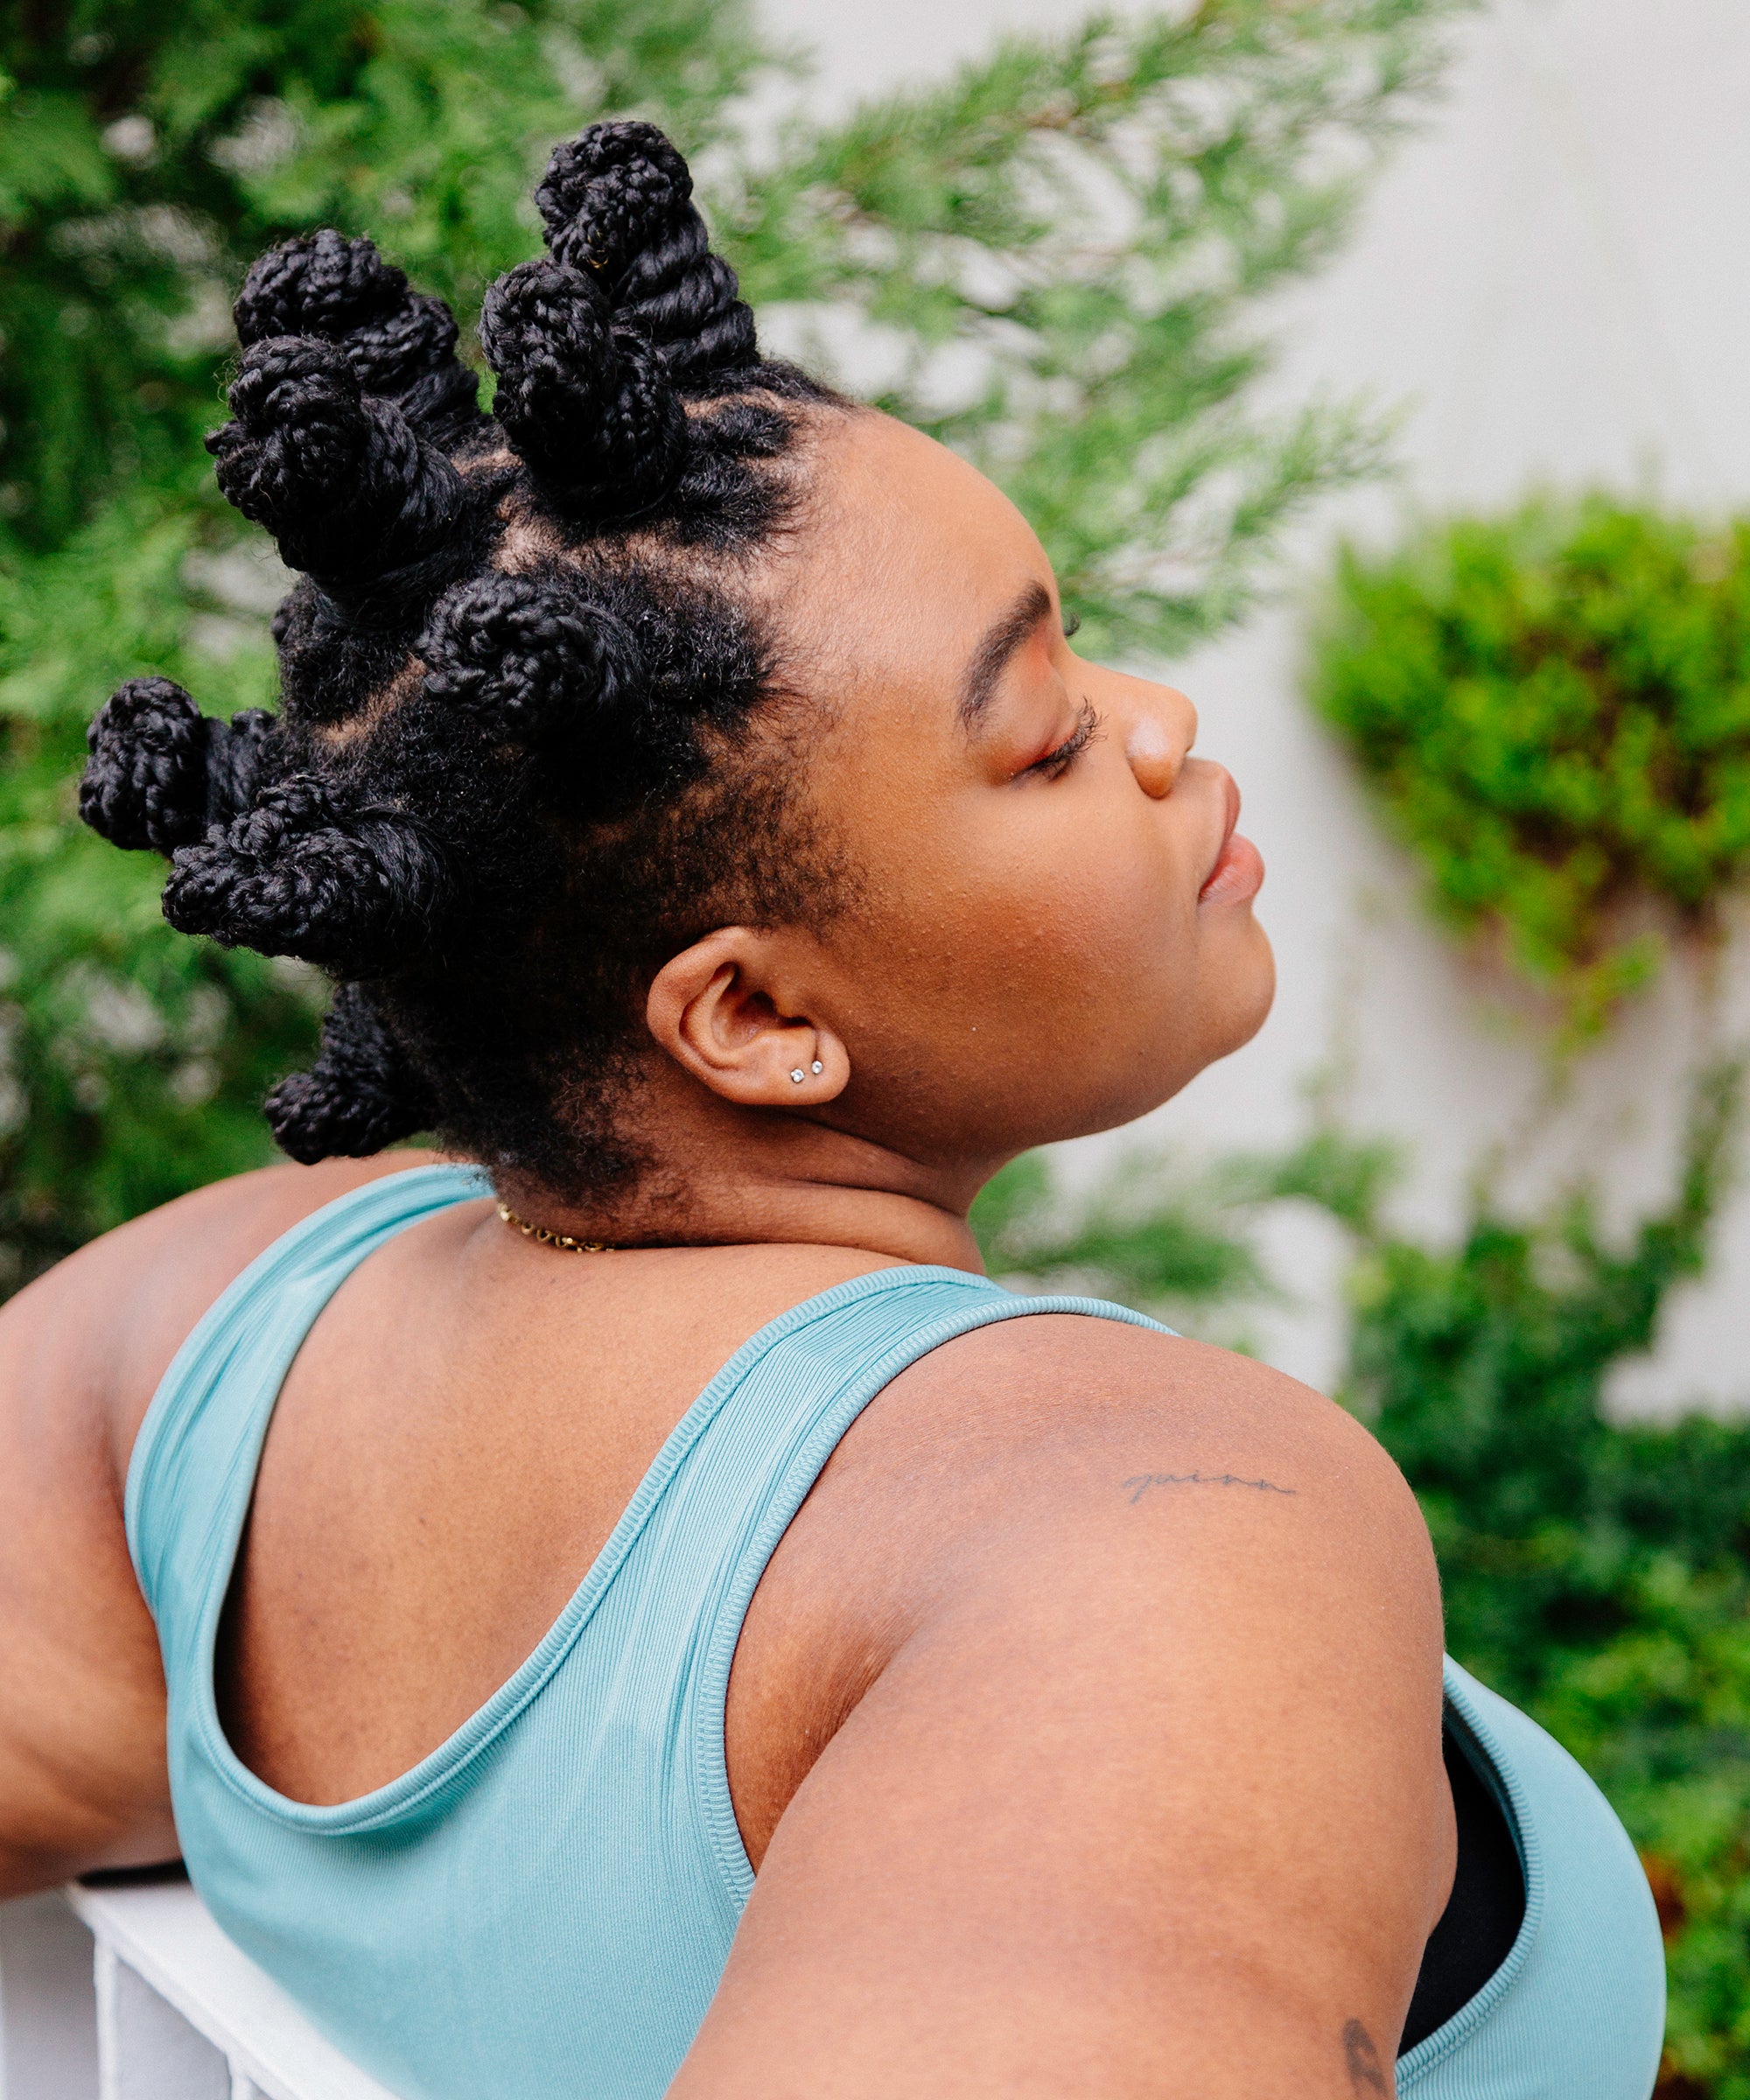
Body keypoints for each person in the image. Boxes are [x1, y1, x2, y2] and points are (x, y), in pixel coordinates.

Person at [0, 121, 1662, 2100]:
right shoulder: (1152, 1538)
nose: (1160, 724)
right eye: (1039, 734)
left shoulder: (207, 1335)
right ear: (759, 1019)